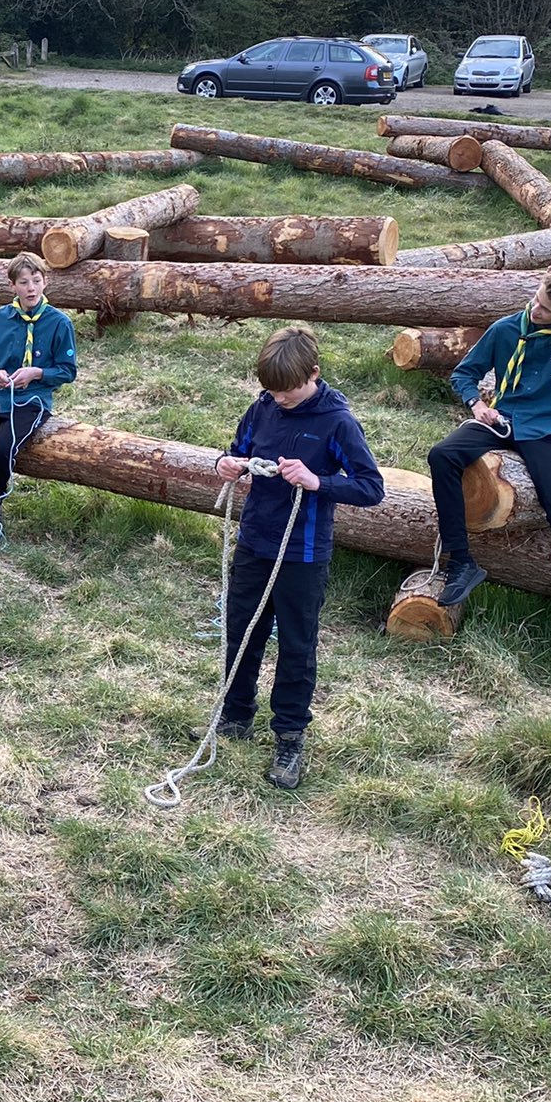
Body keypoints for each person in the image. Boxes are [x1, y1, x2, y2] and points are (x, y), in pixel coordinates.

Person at [427, 260, 551, 673]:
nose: (536, 312)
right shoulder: (506, 329)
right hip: (504, 421)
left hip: (549, 429)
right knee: (442, 456)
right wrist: (477, 404)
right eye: (537, 301)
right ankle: (462, 562)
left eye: (546, 310)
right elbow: (465, 373)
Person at [213, 325, 385, 790]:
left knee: (296, 645)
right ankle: (234, 715)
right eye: (272, 391)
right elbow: (237, 452)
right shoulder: (264, 407)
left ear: (313, 374)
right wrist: (226, 465)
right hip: (254, 542)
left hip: (303, 555)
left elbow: (372, 488)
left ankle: (289, 737)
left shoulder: (337, 422)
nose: (280, 399)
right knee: (241, 632)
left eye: (288, 391)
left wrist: (317, 482)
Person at [0, 252, 76, 533]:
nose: (30, 288)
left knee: (1, 448)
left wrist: (37, 373)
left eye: (36, 281)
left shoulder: (59, 323)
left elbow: (68, 371)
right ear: (13, 286)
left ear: (45, 282)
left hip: (32, 402)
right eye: (23, 282)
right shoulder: (1, 318)